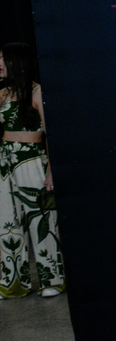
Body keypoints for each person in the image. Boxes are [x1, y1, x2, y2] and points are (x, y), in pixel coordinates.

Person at [0, 43, 65, 298]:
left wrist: (51, 170)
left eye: (3, 59)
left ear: (18, 62)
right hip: (5, 164)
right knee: (7, 222)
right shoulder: (3, 92)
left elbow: (51, 136)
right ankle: (13, 284)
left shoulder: (37, 91)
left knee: (41, 220)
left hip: (31, 161)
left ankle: (52, 280)